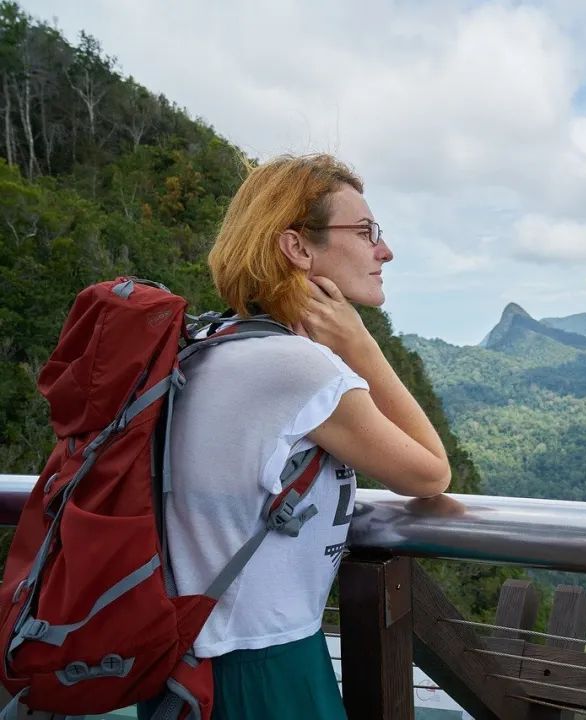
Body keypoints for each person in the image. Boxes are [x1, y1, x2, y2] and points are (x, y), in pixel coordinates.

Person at [138, 154, 452, 719]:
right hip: (262, 665)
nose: (384, 250)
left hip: (187, 661)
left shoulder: (213, 343)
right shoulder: (297, 369)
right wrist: (361, 345)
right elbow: (430, 472)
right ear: (298, 248)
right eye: (365, 232)